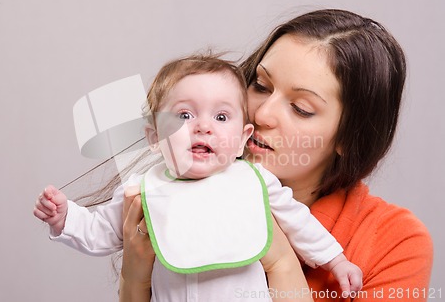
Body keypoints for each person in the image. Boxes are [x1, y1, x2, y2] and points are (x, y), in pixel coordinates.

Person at [116, 9, 434, 302]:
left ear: (350, 138)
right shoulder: (177, 182)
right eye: (261, 85)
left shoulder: (396, 241)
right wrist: (134, 279)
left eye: (301, 109)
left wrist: (281, 262)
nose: (263, 114)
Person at [34, 54, 362, 301]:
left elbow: (298, 221)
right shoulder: (142, 189)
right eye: (184, 115)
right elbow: (101, 232)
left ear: (242, 137)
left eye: (221, 116)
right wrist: (65, 218)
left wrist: (337, 261)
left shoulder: (254, 181)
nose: (203, 126)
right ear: (154, 137)